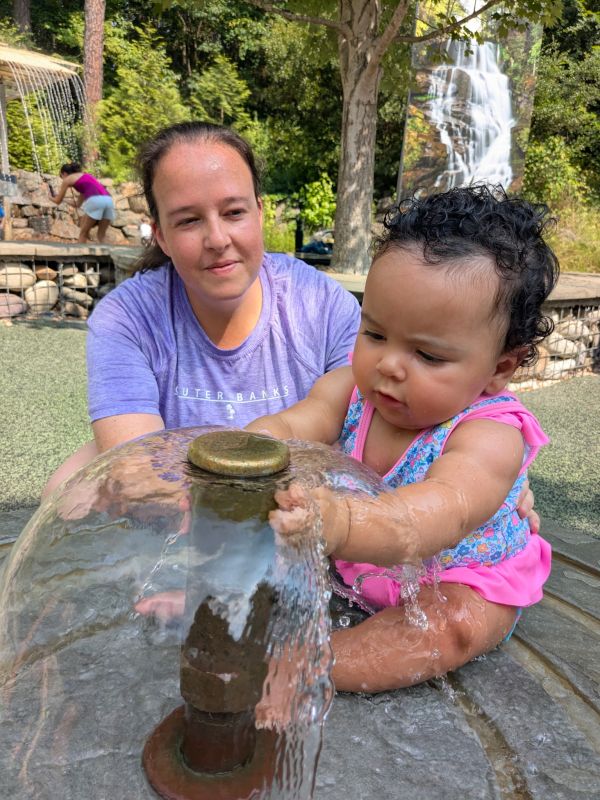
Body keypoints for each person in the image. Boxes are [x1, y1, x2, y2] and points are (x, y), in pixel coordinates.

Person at [244, 184, 557, 693]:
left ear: (499, 368)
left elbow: (441, 511)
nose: (388, 364)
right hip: (354, 555)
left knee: (451, 625)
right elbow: (296, 423)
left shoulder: (490, 435)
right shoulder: (350, 390)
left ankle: (314, 663)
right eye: (375, 334)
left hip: (458, 576)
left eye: (428, 356)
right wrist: (255, 448)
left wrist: (339, 519)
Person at [42, 121, 361, 494]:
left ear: (259, 212)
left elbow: (366, 434)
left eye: (234, 213)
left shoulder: (321, 302)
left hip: (302, 503)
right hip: (177, 509)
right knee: (68, 490)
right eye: (189, 220)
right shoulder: (127, 317)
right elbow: (135, 462)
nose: (217, 239)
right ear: (160, 234)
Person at [50, 163, 115, 244]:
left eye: (61, 176)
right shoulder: (86, 177)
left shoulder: (68, 179)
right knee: (101, 235)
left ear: (64, 173)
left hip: (95, 200)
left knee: (83, 234)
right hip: (108, 200)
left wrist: (49, 197)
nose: (62, 179)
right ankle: (111, 255)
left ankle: (80, 256)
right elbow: (77, 204)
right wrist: (64, 200)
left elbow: (57, 201)